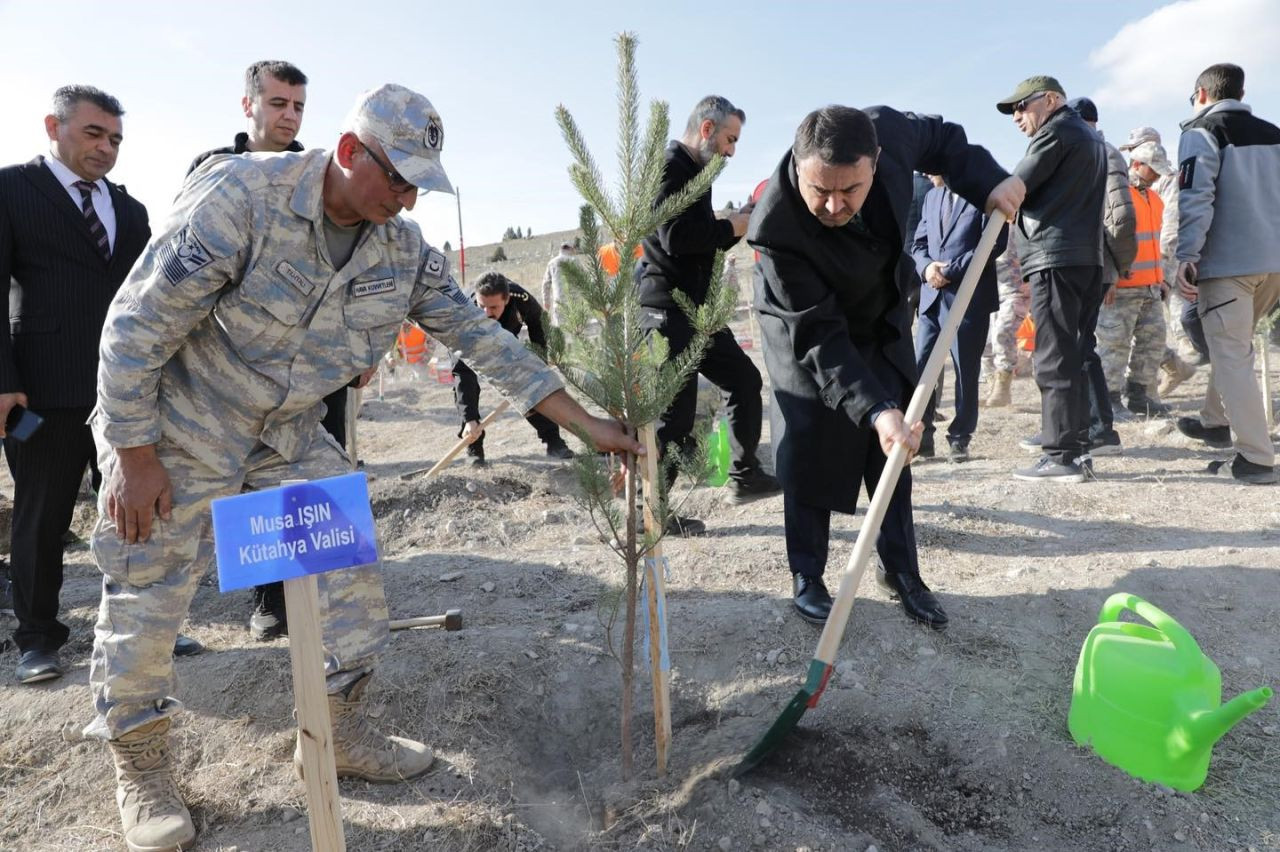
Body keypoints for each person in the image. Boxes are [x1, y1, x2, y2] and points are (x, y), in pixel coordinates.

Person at [86, 84, 643, 851]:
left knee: (349, 567)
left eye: (420, 184)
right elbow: (134, 325)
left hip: (285, 430)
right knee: (149, 586)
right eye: (398, 178)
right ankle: (142, 762)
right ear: (349, 152)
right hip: (182, 418)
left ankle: (340, 728)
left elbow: (488, 347)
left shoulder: (401, 249)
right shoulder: (241, 195)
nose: (408, 198)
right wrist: (132, 452)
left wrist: (587, 425)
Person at [748, 104, 1023, 628]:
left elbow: (946, 139)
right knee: (808, 437)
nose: (833, 205)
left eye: (849, 190)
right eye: (819, 190)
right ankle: (807, 574)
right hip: (805, 327)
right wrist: (873, 408)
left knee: (895, 449)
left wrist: (990, 181)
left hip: (878, 313)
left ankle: (901, 571)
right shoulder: (777, 227)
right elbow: (820, 337)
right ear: (799, 168)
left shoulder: (890, 133)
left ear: (876, 161)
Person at [0, 85, 150, 685]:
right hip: (42, 391)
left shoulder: (131, 210)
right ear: (53, 127)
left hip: (123, 394)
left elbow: (149, 302)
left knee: (136, 513)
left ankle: (143, 624)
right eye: (93, 134)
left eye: (114, 138)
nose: (106, 148)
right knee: (42, 515)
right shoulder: (11, 190)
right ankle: (37, 637)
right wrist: (3, 380)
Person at [188, 59, 315, 642]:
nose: (288, 116)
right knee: (246, 484)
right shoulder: (214, 170)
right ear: (249, 106)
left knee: (301, 478)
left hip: (304, 362)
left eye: (297, 106)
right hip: (229, 364)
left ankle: (308, 597)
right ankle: (268, 598)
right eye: (277, 103)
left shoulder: (314, 173)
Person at [638, 95, 779, 527]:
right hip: (667, 308)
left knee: (744, 379)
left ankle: (745, 475)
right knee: (675, 418)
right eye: (729, 140)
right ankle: (652, 515)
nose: (732, 151)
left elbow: (702, 240)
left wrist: (734, 224)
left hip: (698, 309)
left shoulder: (698, 170)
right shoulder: (669, 167)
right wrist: (731, 225)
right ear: (706, 129)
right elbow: (676, 238)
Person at [1174, 63, 1280, 485]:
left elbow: (1196, 196)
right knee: (1231, 346)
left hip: (1229, 265)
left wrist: (1187, 254)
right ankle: (1215, 420)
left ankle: (1256, 458)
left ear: (1202, 94)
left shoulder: (1201, 133)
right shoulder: (1274, 132)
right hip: (1272, 266)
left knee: (1232, 354)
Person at [997, 76, 1106, 483]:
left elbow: (1016, 185)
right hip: (1086, 259)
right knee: (1074, 355)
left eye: (1022, 106)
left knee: (1054, 355)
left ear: (1052, 100)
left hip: (1056, 258)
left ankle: (1060, 455)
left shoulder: (1056, 132)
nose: (1016, 116)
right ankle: (1075, 449)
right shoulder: (1088, 137)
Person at [910, 174, 1006, 461]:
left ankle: (960, 438)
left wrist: (948, 271)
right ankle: (922, 435)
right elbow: (919, 244)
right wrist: (928, 269)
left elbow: (992, 243)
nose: (927, 175)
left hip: (968, 299)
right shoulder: (931, 197)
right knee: (922, 367)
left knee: (965, 370)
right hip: (931, 298)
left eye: (932, 169)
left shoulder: (984, 194)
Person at [454, 271, 575, 463]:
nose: (486, 313)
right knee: (469, 392)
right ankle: (474, 446)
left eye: (493, 307)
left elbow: (538, 323)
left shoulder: (522, 300)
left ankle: (554, 442)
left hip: (505, 341)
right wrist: (469, 418)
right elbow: (462, 373)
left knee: (529, 385)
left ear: (507, 299)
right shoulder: (463, 313)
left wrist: (540, 359)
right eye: (481, 306)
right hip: (472, 343)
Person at [1096, 141, 1174, 423]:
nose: (1156, 176)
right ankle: (1110, 400)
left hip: (1152, 287)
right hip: (1122, 289)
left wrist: (1162, 277)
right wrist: (1110, 277)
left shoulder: (1154, 199)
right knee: (1114, 345)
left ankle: (1140, 397)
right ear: (1137, 165)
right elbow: (1105, 238)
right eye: (1153, 169)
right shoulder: (1116, 196)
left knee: (1152, 344)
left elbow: (1157, 243)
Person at [984, 230, 1030, 407]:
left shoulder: (1024, 219)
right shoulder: (985, 217)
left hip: (1018, 289)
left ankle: (1002, 386)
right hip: (992, 290)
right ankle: (991, 384)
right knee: (985, 341)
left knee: (1004, 332)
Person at [541, 241, 576, 326]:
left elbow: (545, 284)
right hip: (575, 304)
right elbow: (584, 280)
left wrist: (546, 302)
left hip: (559, 303)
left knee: (561, 332)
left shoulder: (552, 263)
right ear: (571, 249)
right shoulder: (575, 261)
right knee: (579, 332)